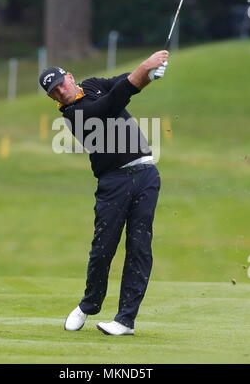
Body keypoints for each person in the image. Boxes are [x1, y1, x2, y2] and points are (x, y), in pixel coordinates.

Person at [39, 49, 169, 336]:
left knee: (139, 248)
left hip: (146, 174)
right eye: (54, 91)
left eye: (61, 82)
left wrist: (148, 76)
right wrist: (146, 66)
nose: (61, 90)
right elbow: (114, 101)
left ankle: (125, 321)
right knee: (103, 249)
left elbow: (122, 81)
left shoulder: (93, 84)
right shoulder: (74, 115)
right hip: (114, 183)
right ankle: (89, 304)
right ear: (52, 98)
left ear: (70, 77)